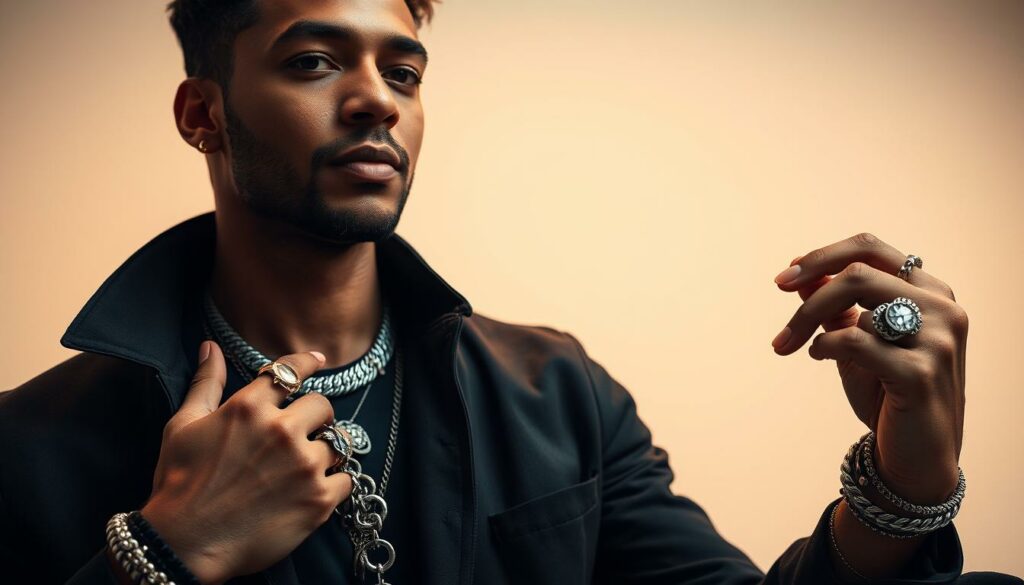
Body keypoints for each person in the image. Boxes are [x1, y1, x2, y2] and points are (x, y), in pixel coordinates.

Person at [0, 0, 1019, 583]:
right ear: (203, 115)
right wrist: (162, 553)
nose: (374, 99)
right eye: (313, 61)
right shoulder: (32, 447)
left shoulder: (556, 393)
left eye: (404, 73)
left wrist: (908, 481)